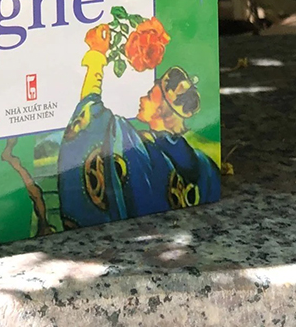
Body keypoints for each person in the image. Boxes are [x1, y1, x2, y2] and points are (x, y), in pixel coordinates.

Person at [58, 23, 220, 229]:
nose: (142, 98)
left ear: (164, 110)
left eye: (150, 95)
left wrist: (97, 56)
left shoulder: (137, 147)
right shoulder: (201, 163)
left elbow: (91, 117)